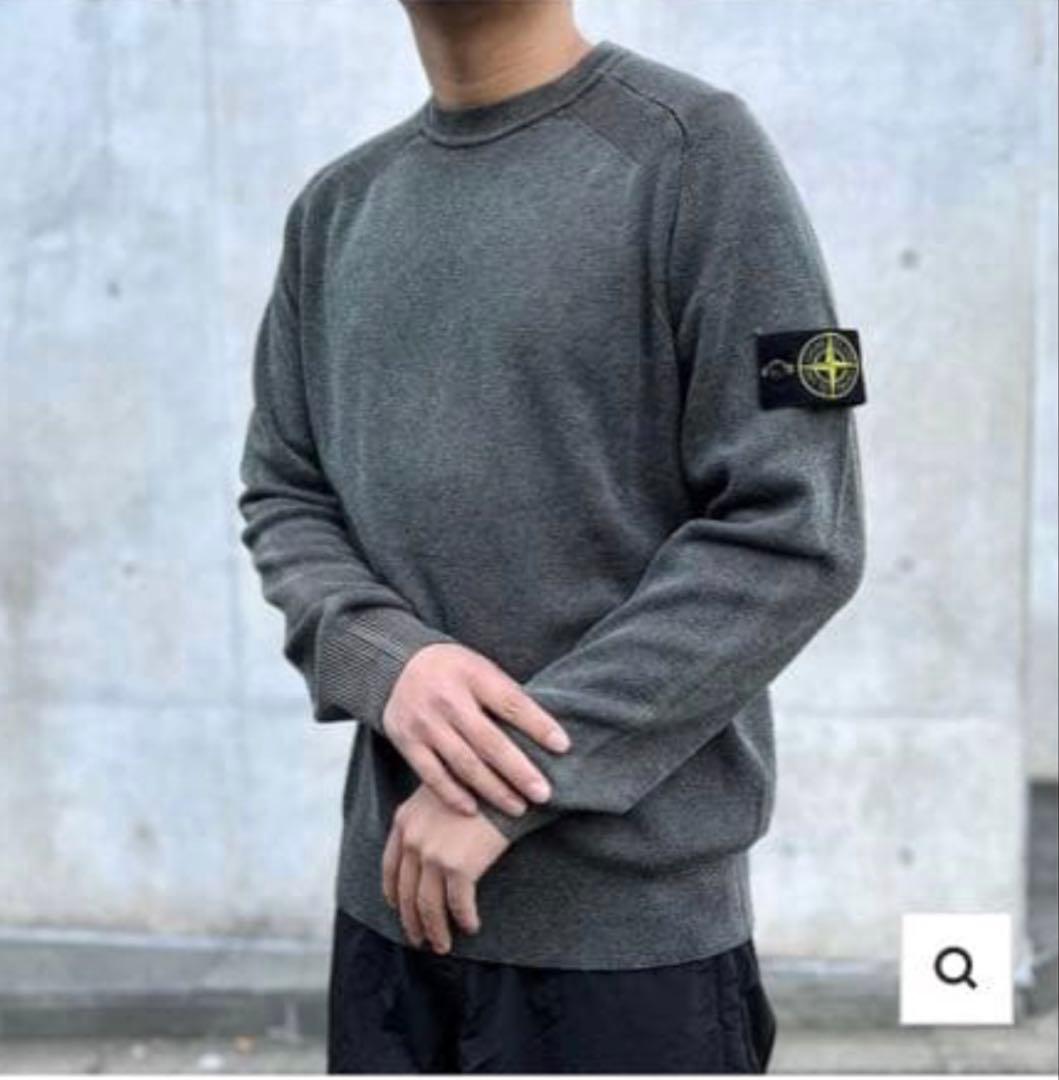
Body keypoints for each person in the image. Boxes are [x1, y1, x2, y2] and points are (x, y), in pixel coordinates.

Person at [237, 0, 868, 1072]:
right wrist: (387, 661)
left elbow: (795, 531)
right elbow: (285, 492)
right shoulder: (337, 210)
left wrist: (508, 776)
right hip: (392, 916)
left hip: (626, 947)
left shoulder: (695, 158)